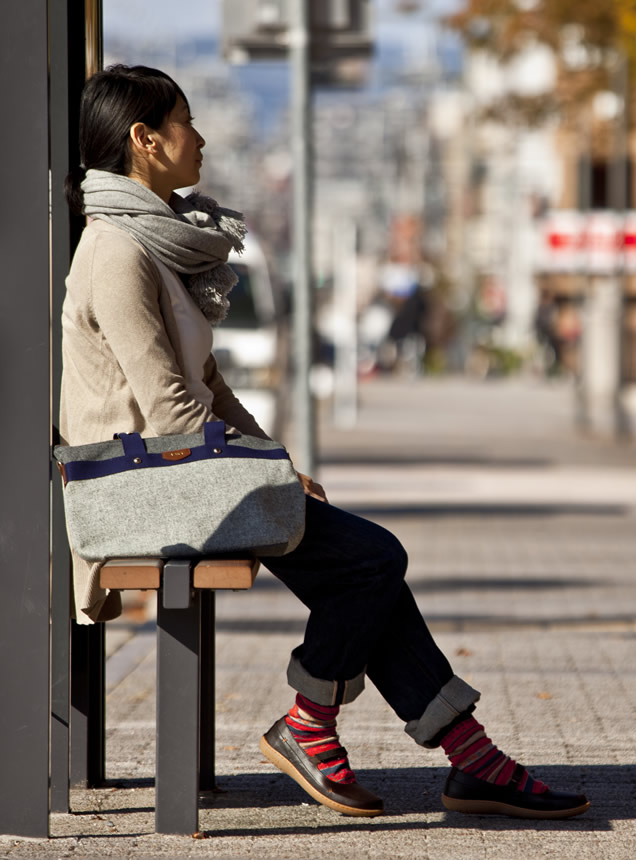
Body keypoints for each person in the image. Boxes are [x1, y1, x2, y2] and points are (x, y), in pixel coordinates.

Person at [61, 64, 590, 821]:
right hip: (141, 489)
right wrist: (264, 481)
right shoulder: (116, 251)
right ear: (144, 140)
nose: (200, 137)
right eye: (185, 121)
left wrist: (276, 466)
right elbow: (171, 409)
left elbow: (211, 391)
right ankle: (323, 727)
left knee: (365, 567)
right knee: (372, 559)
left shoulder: (156, 244)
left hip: (179, 479)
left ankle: (469, 758)